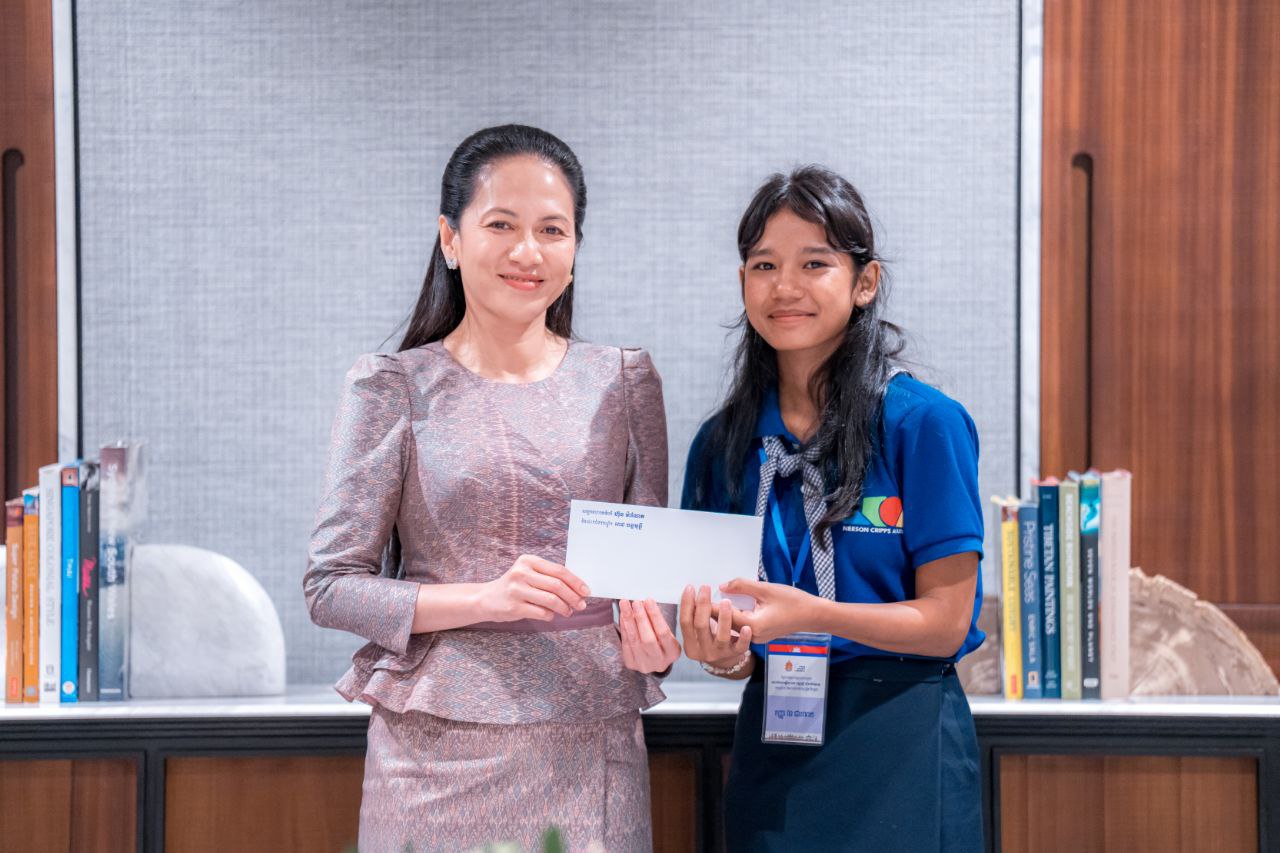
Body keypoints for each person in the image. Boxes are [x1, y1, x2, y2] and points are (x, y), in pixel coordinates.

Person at [304, 124, 680, 853]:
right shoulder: (392, 386)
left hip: (590, 747)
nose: (528, 252)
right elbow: (330, 586)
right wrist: (486, 599)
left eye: (552, 230)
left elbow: (650, 589)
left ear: (575, 247)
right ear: (451, 238)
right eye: (501, 225)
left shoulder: (625, 383)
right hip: (433, 759)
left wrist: (655, 645)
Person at [679, 166, 985, 851]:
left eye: (814, 263)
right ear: (743, 282)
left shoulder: (923, 424)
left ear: (864, 281)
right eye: (765, 265)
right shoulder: (722, 444)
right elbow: (731, 645)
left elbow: (945, 624)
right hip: (774, 747)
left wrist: (812, 616)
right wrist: (719, 652)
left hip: (903, 739)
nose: (785, 287)